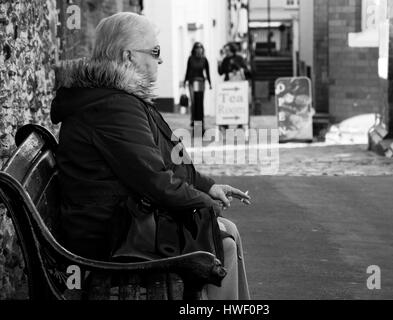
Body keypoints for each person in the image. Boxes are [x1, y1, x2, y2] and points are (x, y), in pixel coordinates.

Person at [51, 12, 251, 300]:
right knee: (223, 243)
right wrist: (204, 205)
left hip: (119, 218)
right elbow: (154, 180)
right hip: (110, 233)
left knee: (224, 232)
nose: (160, 59)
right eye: (155, 51)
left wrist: (207, 187)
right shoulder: (113, 106)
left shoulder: (116, 98)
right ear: (128, 56)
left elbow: (165, 159)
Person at [218, 42, 251, 131]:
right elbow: (221, 72)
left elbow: (246, 69)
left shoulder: (239, 58)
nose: (226, 52)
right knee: (227, 104)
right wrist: (219, 63)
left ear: (232, 50)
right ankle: (225, 124)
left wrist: (236, 67)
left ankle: (241, 122)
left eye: (227, 50)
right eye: (225, 50)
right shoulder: (225, 59)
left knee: (239, 103)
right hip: (228, 82)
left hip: (238, 83)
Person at [184, 42, 212, 134]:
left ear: (202, 50)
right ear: (194, 49)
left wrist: (210, 83)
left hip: (200, 82)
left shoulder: (204, 60)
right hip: (192, 82)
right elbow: (187, 70)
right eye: (197, 48)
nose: (199, 50)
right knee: (194, 102)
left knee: (200, 103)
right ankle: (193, 120)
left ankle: (201, 124)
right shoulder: (190, 59)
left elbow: (207, 72)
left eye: (201, 48)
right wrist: (185, 81)